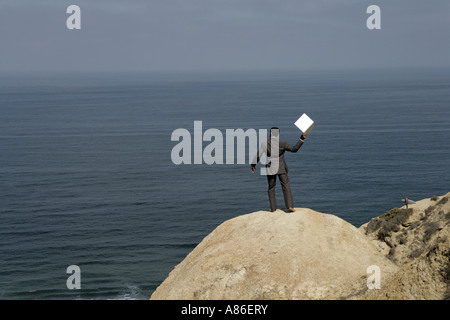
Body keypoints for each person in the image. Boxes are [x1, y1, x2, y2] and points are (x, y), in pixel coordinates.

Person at [250, 127, 307, 212]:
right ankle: (290, 206)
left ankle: (273, 209)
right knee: (286, 186)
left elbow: (259, 155)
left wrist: (253, 165)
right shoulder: (282, 143)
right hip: (281, 167)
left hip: (270, 168)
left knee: (271, 188)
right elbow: (294, 149)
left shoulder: (265, 143)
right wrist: (301, 139)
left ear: (270, 133)